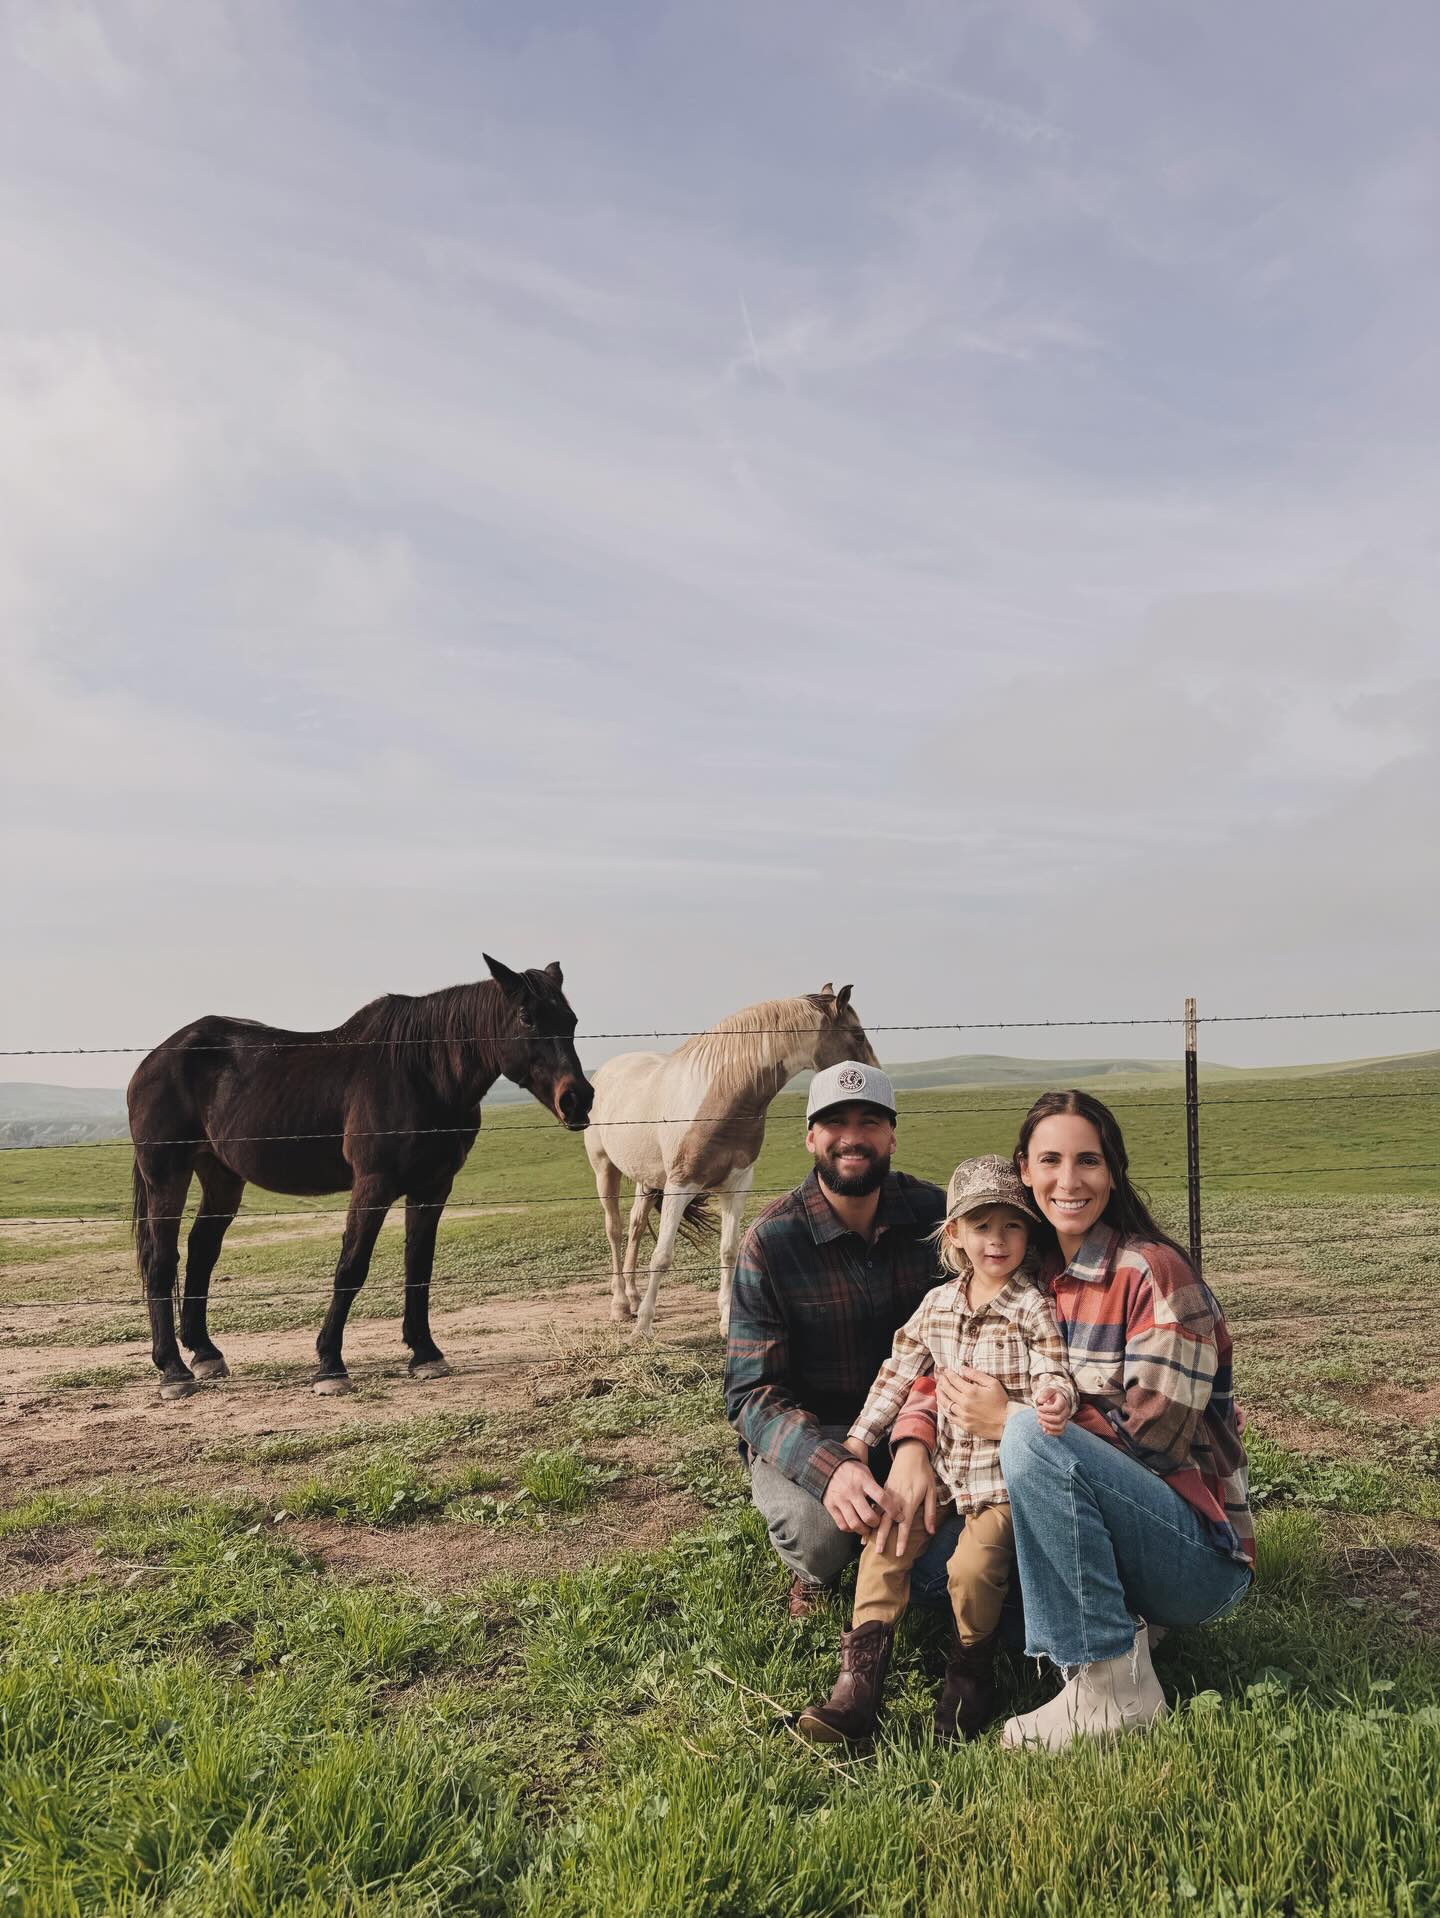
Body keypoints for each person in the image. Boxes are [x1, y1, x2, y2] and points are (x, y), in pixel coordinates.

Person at [885, 1089, 1254, 1751]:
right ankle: (1117, 1631)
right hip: (1077, 1521)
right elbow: (939, 1361)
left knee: (1032, 1434)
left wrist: (1011, 1418)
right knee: (926, 1565)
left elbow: (1156, 1438)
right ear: (1024, 1170)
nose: (1069, 1179)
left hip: (1193, 1558)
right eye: (1049, 1160)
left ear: (1113, 1172)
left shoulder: (1154, 1273)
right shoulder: (1025, 1277)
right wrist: (913, 1442)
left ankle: (1111, 1685)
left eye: (1088, 1161)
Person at [796, 1156, 1077, 1745]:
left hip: (1002, 1476)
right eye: (981, 1226)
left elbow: (1054, 1365)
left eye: (1011, 1226)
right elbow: (898, 1374)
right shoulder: (937, 1305)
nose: (996, 1240)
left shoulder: (1031, 1306)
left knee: (974, 1569)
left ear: (1029, 1235)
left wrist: (1054, 1398)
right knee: (887, 1538)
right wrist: (859, 1439)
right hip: (945, 1464)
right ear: (954, 1234)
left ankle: (970, 1673)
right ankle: (858, 1685)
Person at [723, 1060, 950, 1616]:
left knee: (947, 1561)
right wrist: (830, 1469)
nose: (853, 1138)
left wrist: (915, 1440)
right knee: (820, 1538)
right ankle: (817, 1570)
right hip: (817, 1427)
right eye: (835, 1122)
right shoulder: (771, 1242)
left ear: (892, 1134)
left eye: (870, 1121)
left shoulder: (939, 1219)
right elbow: (752, 1394)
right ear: (810, 1137)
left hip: (920, 1424)